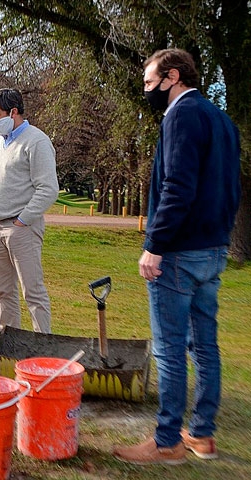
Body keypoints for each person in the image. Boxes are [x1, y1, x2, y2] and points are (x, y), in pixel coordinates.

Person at [113, 49, 241, 465]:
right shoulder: (222, 120)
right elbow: (231, 189)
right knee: (205, 344)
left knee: (169, 348)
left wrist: (156, 244)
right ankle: (202, 436)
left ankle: (167, 441)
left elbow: (178, 186)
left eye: (150, 83)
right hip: (214, 249)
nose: (146, 91)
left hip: (180, 252)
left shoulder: (181, 116)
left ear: (172, 77)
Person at [0, 88, 59, 334]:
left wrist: (22, 221)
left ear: (13, 112)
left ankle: (41, 349)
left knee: (33, 292)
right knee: (3, 292)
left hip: (20, 228)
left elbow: (48, 189)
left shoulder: (37, 141)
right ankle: (7, 346)